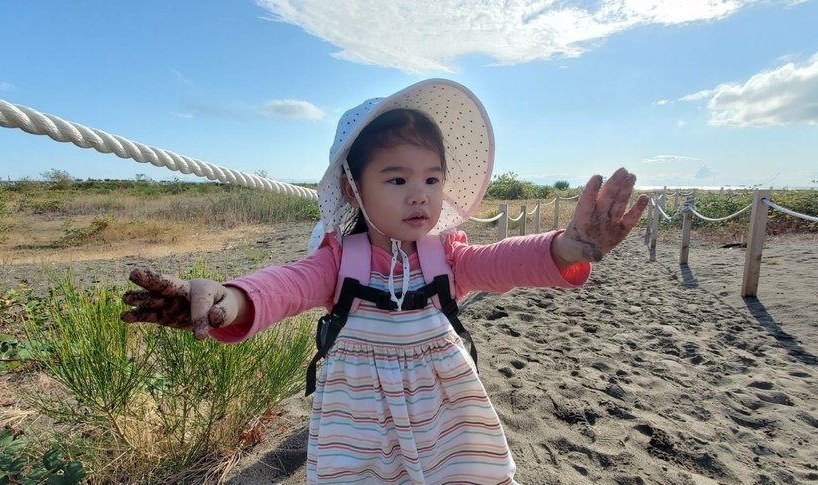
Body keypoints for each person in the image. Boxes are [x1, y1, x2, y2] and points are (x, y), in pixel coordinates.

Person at [120, 79, 648, 484]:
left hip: (447, 414)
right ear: (352, 189)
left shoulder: (447, 259)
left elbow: (502, 261)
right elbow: (281, 287)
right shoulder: (338, 262)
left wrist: (569, 246)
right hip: (360, 423)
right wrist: (224, 301)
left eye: (431, 179)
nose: (419, 195)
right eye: (397, 179)